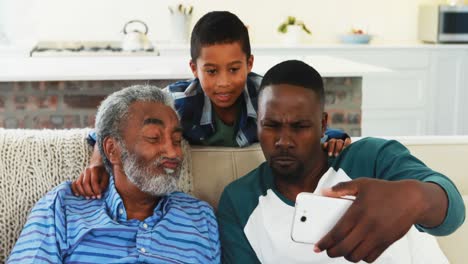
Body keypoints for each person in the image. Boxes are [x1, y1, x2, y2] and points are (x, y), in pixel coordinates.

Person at [72, 11, 350, 199]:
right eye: (211, 71)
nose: (224, 83)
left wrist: (332, 138)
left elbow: (303, 125)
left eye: (234, 69)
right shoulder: (177, 101)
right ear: (194, 68)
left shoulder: (267, 94)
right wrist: (98, 161)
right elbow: (115, 127)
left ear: (249, 64)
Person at [217, 60, 466, 263]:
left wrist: (414, 197)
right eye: (271, 125)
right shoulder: (240, 201)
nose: (284, 141)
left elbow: (453, 213)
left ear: (323, 124)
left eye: (300, 126)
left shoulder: (372, 158)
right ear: (257, 123)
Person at [8, 85, 220, 263]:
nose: (174, 153)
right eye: (154, 138)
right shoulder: (62, 208)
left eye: (176, 140)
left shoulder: (200, 217)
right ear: (112, 150)